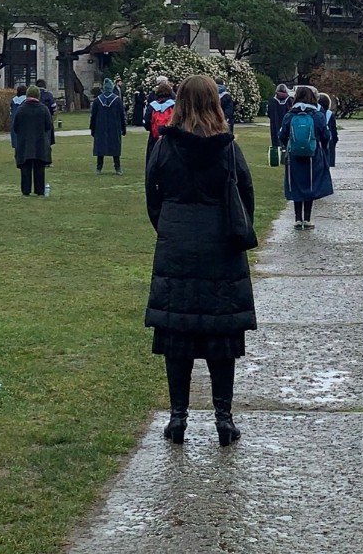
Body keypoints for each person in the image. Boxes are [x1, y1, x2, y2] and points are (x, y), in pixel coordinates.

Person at [144, 73, 256, 447]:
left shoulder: (163, 147)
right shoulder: (227, 148)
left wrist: (170, 228)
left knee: (178, 335)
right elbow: (246, 195)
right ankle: (223, 416)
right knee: (221, 336)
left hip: (177, 242)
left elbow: (152, 197)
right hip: (220, 243)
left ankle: (179, 416)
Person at [278, 83, 334, 229]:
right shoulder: (317, 114)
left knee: (296, 184)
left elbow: (282, 135)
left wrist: (289, 145)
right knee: (310, 184)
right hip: (313, 155)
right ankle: (307, 219)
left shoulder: (290, 114)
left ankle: (297, 218)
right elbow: (326, 135)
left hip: (294, 156)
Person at [13, 86, 55, 197]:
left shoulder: (21, 109)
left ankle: (25, 190)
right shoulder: (44, 109)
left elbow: (15, 127)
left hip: (24, 143)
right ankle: (39, 190)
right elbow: (48, 126)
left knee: (25, 167)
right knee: (39, 168)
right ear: (38, 96)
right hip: (40, 143)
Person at [89, 78, 128, 174]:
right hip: (114, 127)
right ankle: (117, 168)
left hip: (100, 127)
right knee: (115, 147)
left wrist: (92, 129)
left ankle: (99, 168)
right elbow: (122, 115)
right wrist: (123, 128)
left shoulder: (98, 100)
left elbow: (93, 116)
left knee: (100, 148)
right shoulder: (117, 100)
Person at [265, 84, 292, 159]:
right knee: (286, 138)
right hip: (286, 123)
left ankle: (275, 158)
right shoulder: (289, 100)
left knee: (275, 139)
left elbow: (269, 113)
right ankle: (285, 156)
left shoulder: (272, 101)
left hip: (275, 123)